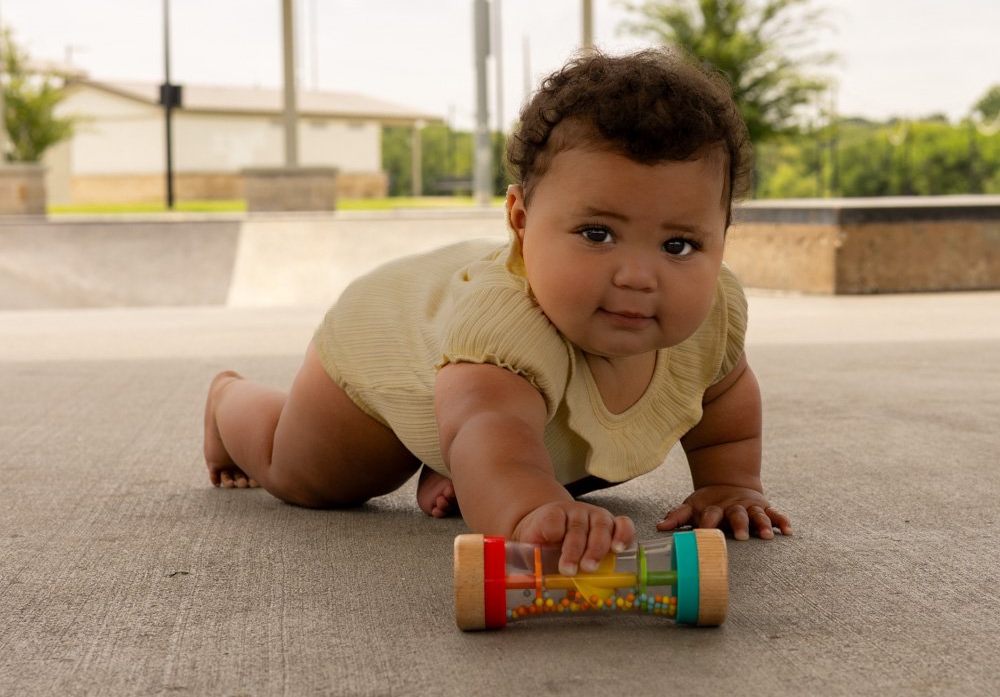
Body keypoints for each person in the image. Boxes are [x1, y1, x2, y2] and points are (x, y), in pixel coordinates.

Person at [203, 47, 792, 578]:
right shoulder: (505, 325)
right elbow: (490, 427)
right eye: (597, 233)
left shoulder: (711, 314)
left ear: (723, 236)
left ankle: (471, 468)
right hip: (389, 346)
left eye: (678, 246)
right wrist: (531, 509)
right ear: (521, 220)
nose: (638, 276)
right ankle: (229, 401)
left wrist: (730, 483)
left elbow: (725, 396)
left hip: (493, 416)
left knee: (544, 456)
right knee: (314, 479)